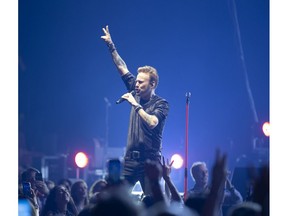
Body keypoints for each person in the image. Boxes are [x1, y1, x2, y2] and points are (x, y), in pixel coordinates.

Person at [101, 25, 169, 195]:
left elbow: (153, 122)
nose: (136, 85)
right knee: (118, 199)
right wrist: (111, 45)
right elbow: (121, 67)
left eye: (141, 82)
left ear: (152, 84)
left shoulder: (161, 103)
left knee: (152, 203)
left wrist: (136, 105)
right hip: (130, 161)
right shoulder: (134, 90)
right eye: (136, 82)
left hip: (150, 162)